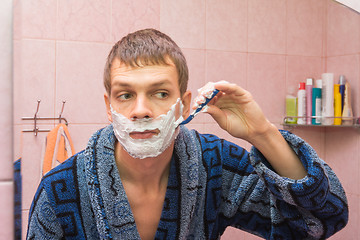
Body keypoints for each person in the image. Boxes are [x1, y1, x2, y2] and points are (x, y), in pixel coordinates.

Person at [27, 28, 348, 240]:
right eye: (125, 95)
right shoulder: (58, 191)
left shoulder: (215, 165)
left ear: (184, 104)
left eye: (160, 93)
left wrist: (263, 133)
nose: (141, 110)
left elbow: (320, 223)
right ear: (108, 107)